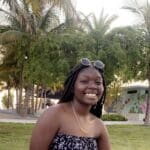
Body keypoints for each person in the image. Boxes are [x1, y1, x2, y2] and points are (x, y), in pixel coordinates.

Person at [30, 58, 111, 150]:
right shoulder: (54, 115)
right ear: (72, 87)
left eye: (98, 82)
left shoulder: (99, 126)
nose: (93, 86)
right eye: (84, 81)